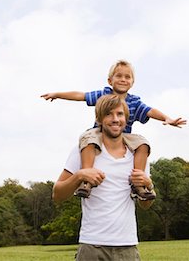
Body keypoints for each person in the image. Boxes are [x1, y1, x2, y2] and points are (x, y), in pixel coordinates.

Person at [42, 60, 186, 200]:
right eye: (119, 76)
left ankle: (138, 184)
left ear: (132, 82)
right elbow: (81, 95)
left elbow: (150, 111)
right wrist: (58, 94)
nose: (123, 79)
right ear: (110, 80)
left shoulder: (134, 102)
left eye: (127, 77)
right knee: (88, 139)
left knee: (142, 143)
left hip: (124, 136)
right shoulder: (103, 95)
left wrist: (167, 118)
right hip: (100, 132)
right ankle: (86, 181)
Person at [52, 94, 154, 261]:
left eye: (120, 114)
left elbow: (146, 205)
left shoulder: (137, 157)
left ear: (126, 119)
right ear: (99, 119)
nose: (115, 119)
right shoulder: (83, 150)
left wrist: (148, 185)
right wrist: (79, 175)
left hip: (127, 247)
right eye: (109, 114)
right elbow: (57, 195)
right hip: (92, 246)